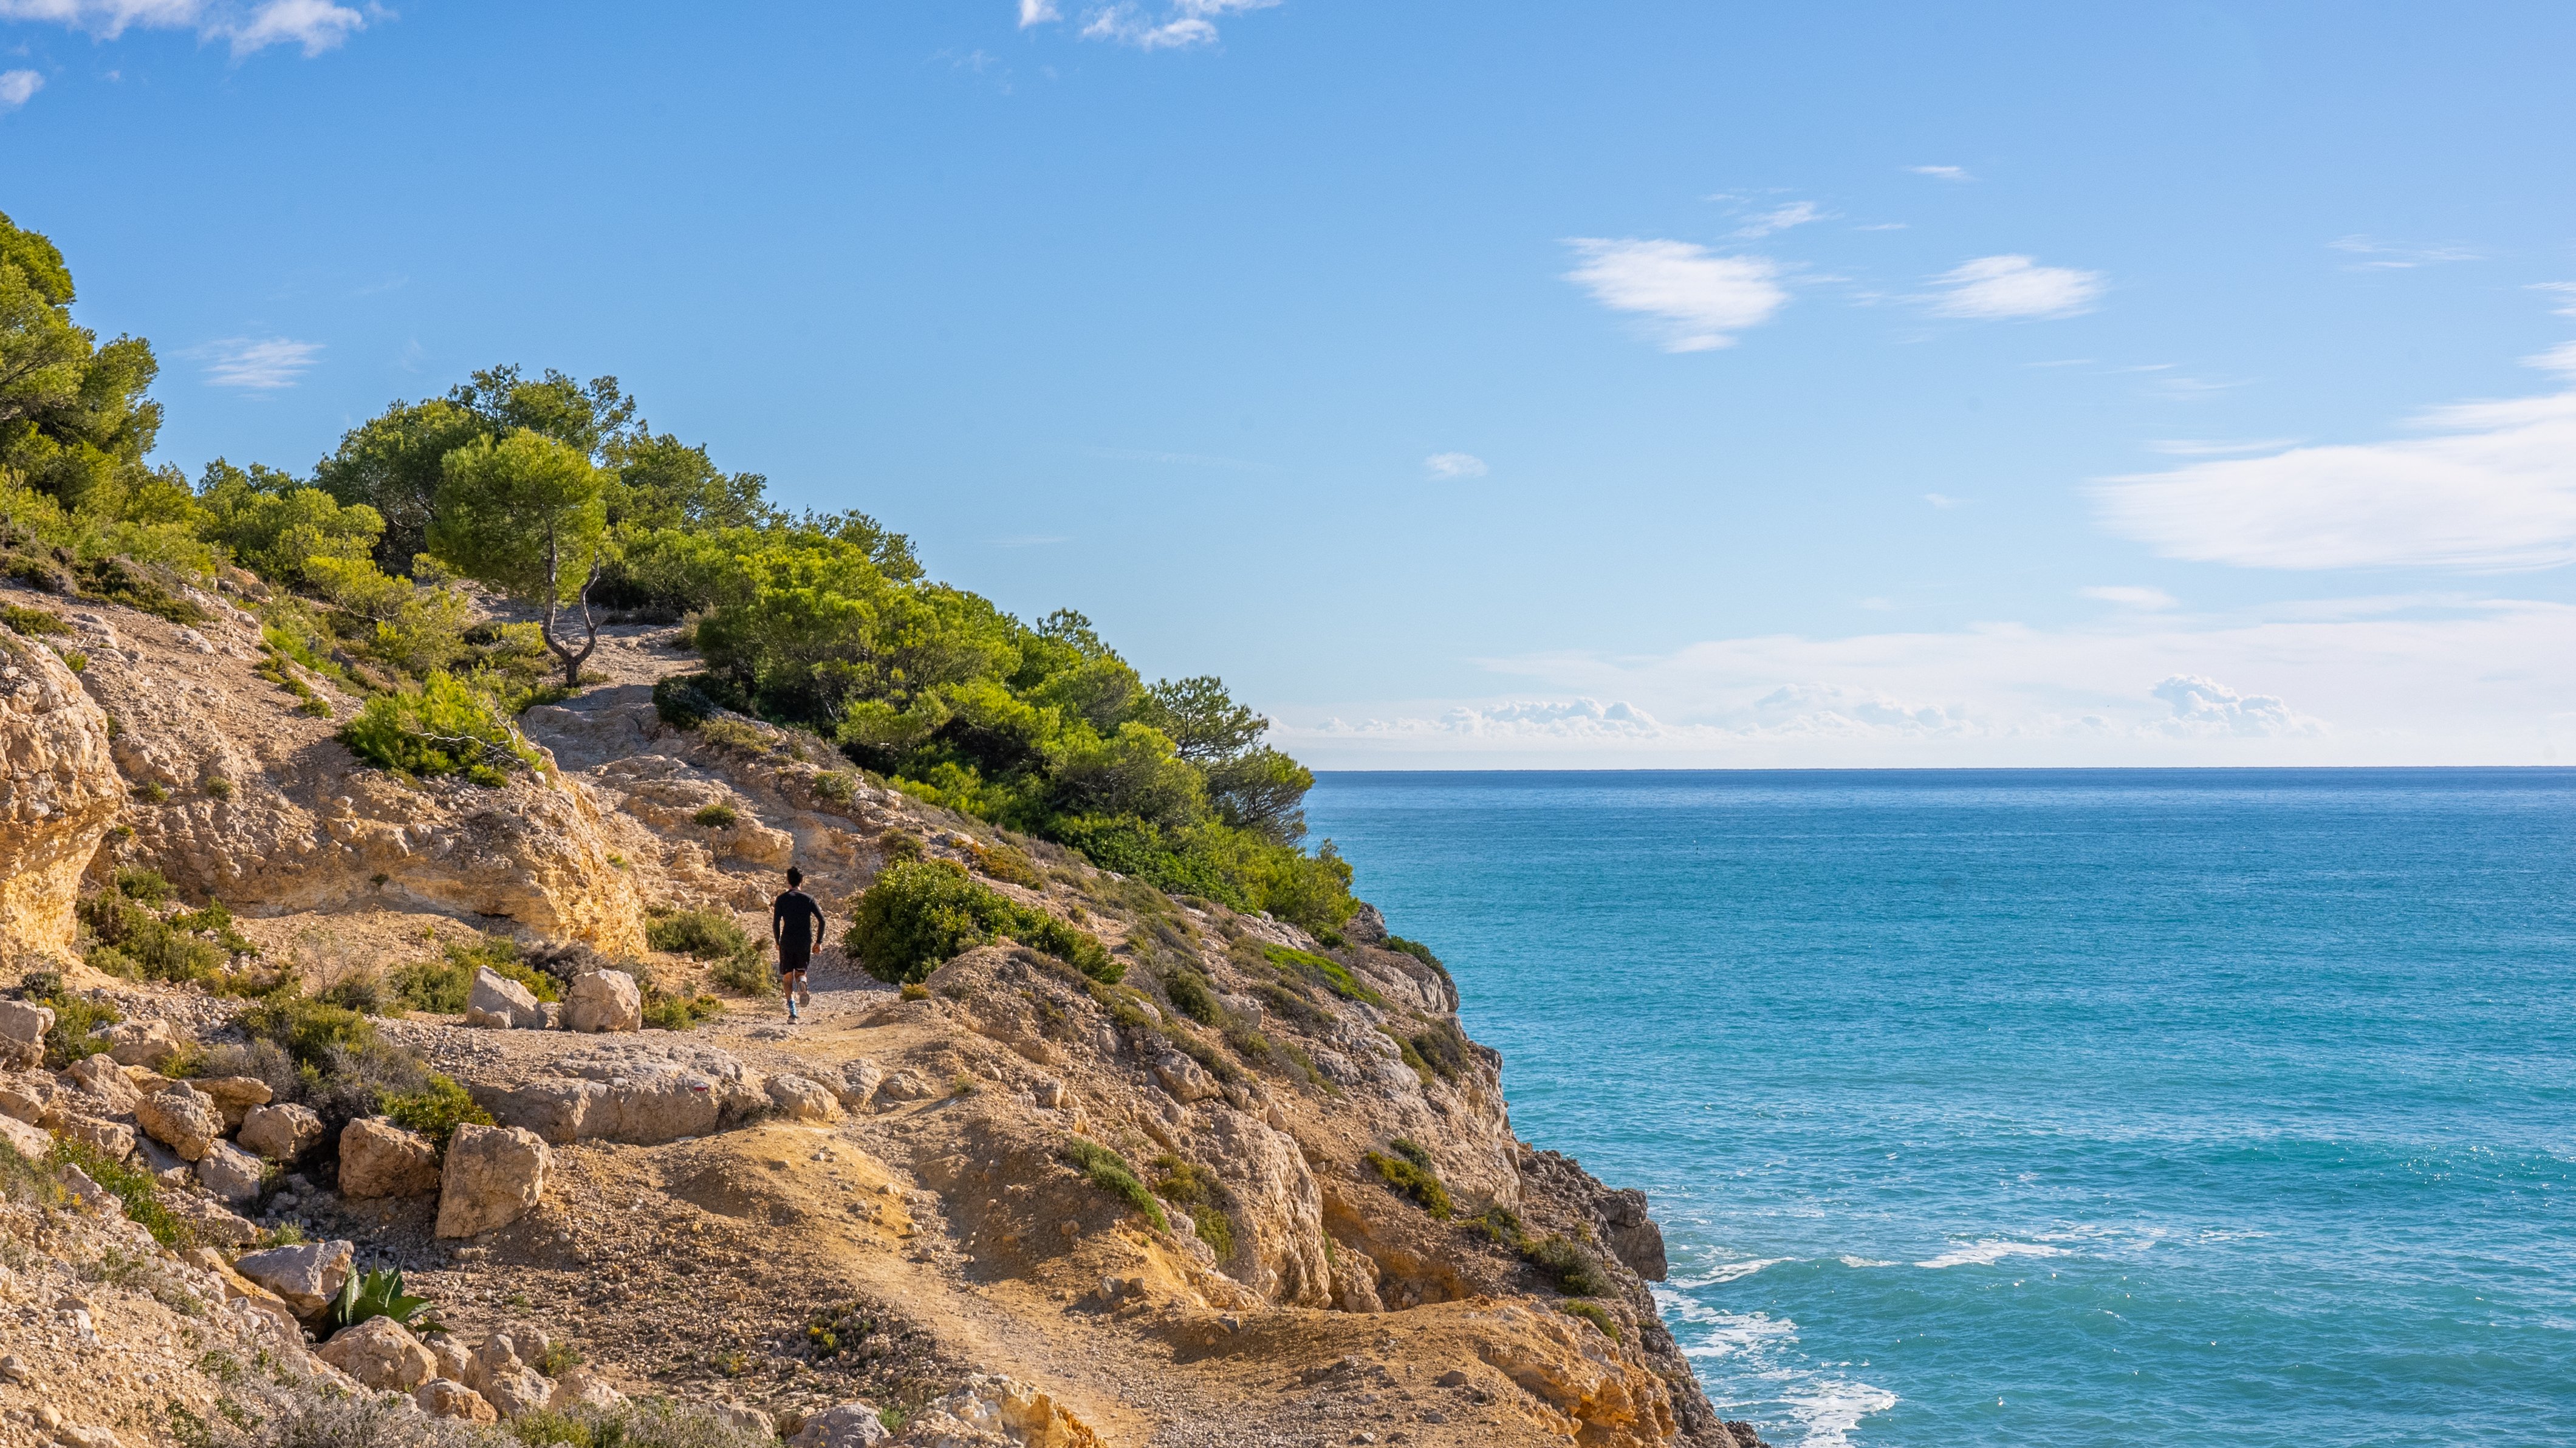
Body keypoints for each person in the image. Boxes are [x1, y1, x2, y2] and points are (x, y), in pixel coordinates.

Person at [771, 866, 826, 1023]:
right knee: (801, 973)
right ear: (802, 881)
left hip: (787, 941)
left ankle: (793, 1013)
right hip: (804, 942)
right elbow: (822, 920)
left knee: (787, 977)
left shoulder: (781, 899)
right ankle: (802, 983)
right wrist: (819, 942)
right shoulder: (809, 899)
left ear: (788, 881)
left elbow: (776, 924)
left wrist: (777, 942)